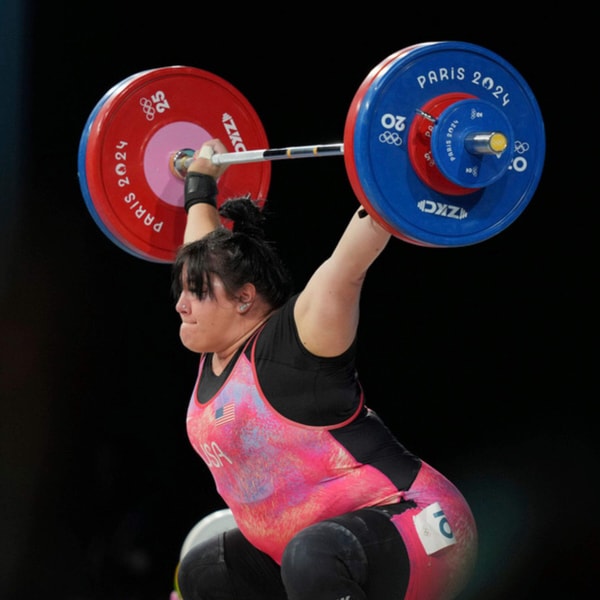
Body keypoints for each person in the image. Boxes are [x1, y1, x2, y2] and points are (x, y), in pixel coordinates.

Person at [170, 139, 478, 600]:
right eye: (182, 289)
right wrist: (199, 184)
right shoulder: (218, 348)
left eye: (194, 292)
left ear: (244, 298)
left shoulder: (297, 341)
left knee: (312, 555)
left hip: (417, 526)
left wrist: (408, 165)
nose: (181, 304)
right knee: (205, 571)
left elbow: (349, 262)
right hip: (316, 547)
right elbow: (203, 249)